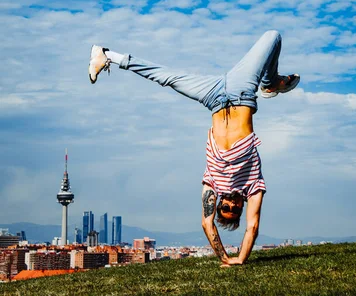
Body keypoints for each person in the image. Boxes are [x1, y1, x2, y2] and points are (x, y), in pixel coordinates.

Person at [88, 30, 299, 266]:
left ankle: (107, 56)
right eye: (234, 209)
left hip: (213, 96)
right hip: (242, 90)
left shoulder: (212, 182)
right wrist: (240, 258)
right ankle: (270, 84)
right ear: (241, 207)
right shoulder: (253, 186)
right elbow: (253, 227)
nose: (230, 203)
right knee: (273, 36)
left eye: (225, 207)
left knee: (164, 77)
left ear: (219, 203)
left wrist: (224, 258)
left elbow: (206, 224)